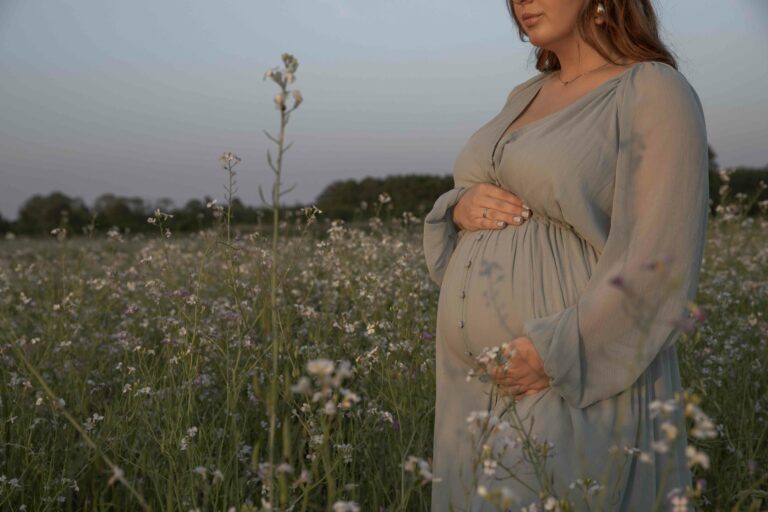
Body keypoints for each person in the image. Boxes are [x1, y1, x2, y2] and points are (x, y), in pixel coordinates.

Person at [422, 0, 709, 510]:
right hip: (469, 389)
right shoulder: (524, 95)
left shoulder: (652, 89)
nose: (521, 3)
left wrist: (555, 352)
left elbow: (661, 257)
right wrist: (460, 207)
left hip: (570, 376)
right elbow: (484, 185)